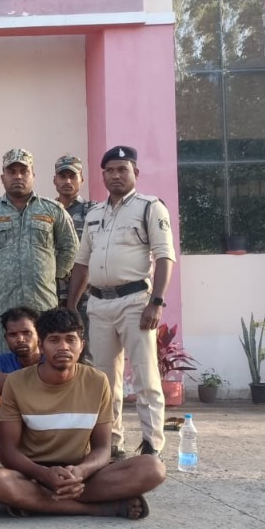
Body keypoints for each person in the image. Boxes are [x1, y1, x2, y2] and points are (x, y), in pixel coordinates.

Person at [0, 307, 165, 519]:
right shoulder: (16, 382)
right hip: (33, 474)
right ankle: (101, 508)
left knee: (153, 468)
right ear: (41, 346)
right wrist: (44, 475)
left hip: (81, 474)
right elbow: (8, 450)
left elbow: (103, 448)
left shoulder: (97, 381)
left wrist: (81, 471)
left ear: (82, 345)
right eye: (54, 340)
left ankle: (38, 502)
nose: (63, 347)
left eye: (70, 340)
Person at [67, 146, 177, 458]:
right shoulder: (94, 214)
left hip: (135, 302)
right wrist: (71, 307)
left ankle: (152, 444)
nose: (116, 175)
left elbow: (165, 256)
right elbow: (82, 263)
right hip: (98, 304)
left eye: (122, 169)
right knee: (104, 380)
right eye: (110, 170)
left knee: (145, 375)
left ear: (135, 173)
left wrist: (156, 302)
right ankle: (112, 442)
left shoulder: (150, 208)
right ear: (102, 175)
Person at [0, 148, 77, 357]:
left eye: (23, 171)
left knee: (44, 361)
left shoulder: (52, 210)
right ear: (2, 177)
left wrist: (52, 275)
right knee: (3, 363)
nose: (18, 176)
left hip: (42, 305)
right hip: (1, 308)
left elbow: (70, 248)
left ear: (33, 175)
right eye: (11, 171)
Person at [52, 155, 97, 365]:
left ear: (82, 180)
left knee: (86, 353)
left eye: (73, 176)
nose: (67, 181)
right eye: (62, 176)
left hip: (85, 297)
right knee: (53, 352)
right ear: (55, 180)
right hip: (52, 295)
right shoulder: (46, 210)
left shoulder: (94, 211)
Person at [0, 307, 41, 432]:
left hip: (51, 420)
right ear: (6, 338)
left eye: (26, 332)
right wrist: (36, 381)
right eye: (13, 334)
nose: (20, 339)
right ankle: (4, 440)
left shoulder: (50, 358)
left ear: (39, 334)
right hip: (16, 420)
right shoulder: (3, 360)